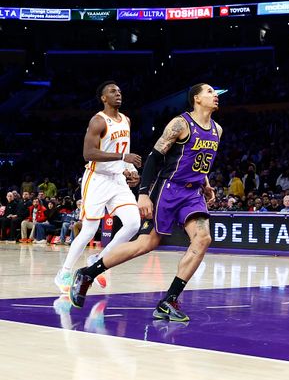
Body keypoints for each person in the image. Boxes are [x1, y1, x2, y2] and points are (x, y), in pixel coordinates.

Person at [69, 83, 221, 322]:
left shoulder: (217, 129)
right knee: (146, 244)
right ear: (196, 99)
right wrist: (143, 194)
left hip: (193, 194)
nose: (215, 96)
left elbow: (199, 160)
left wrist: (206, 182)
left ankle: (168, 300)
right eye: (210, 92)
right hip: (169, 189)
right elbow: (153, 158)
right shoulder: (180, 124)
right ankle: (88, 273)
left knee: (203, 238)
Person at [54, 81, 143, 292]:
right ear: (103, 98)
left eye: (120, 90)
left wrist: (132, 171)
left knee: (133, 223)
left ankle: (98, 258)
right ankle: (64, 272)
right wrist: (123, 157)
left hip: (118, 179)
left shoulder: (126, 120)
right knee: (89, 230)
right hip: (97, 179)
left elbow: (125, 151)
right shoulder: (98, 121)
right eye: (112, 91)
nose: (118, 93)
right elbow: (88, 154)